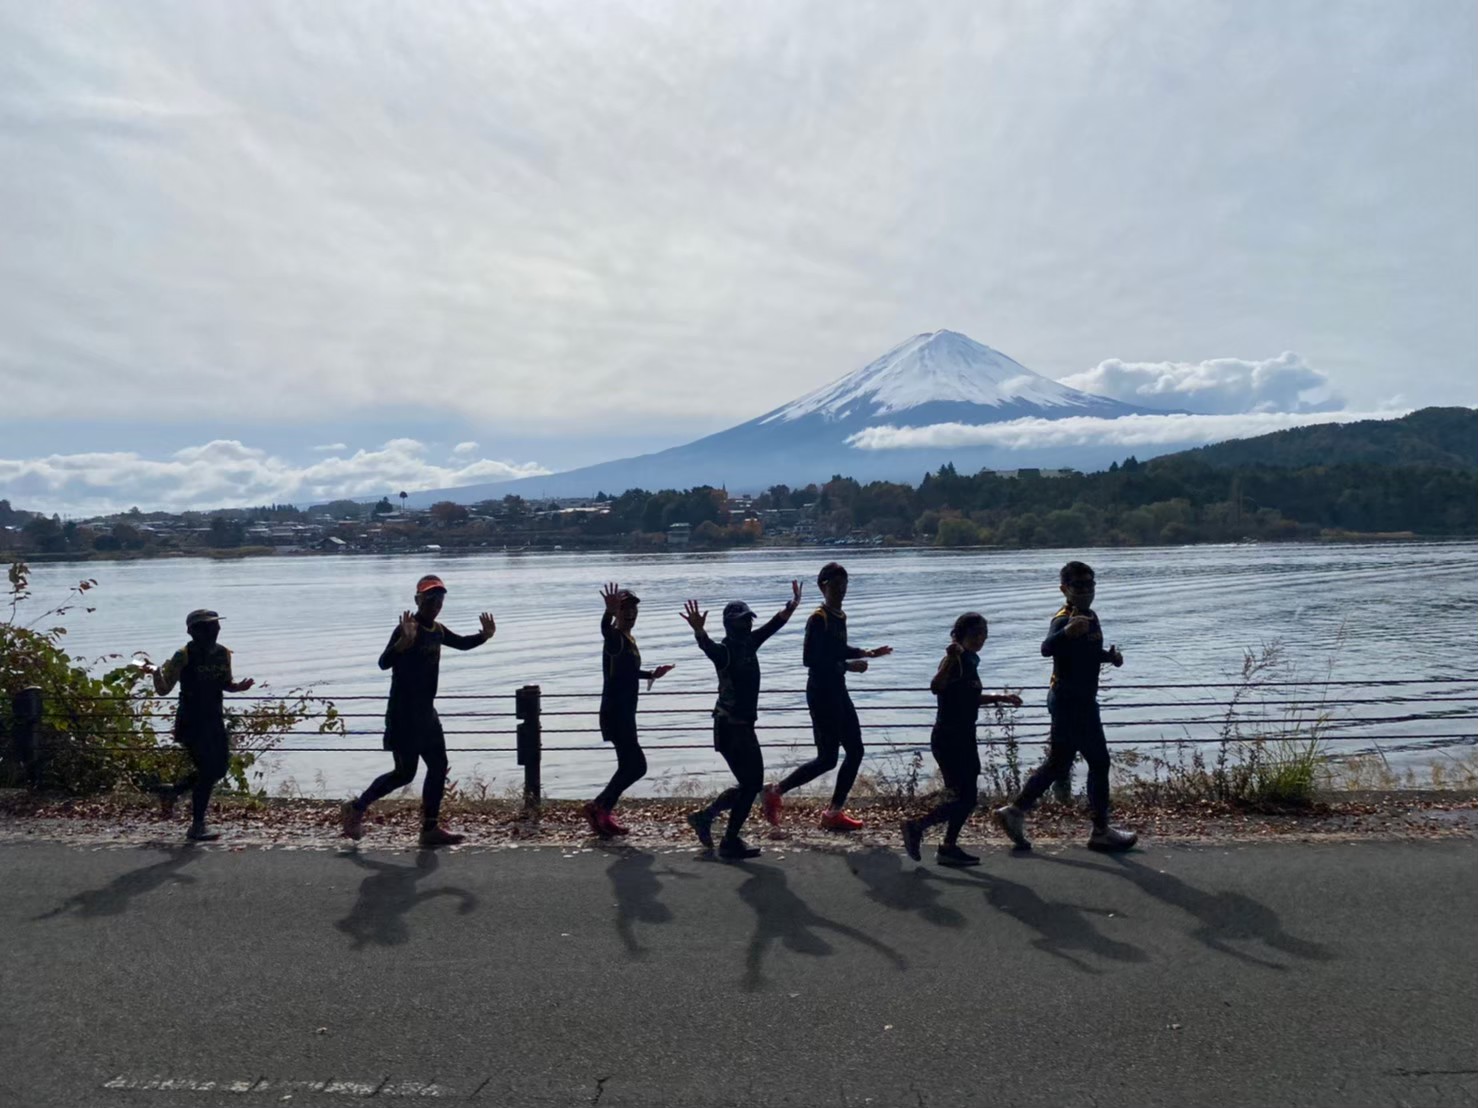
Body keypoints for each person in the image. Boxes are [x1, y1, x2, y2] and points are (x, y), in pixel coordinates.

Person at [341, 575, 495, 847]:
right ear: (417, 600)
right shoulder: (407, 628)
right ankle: (356, 808)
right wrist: (401, 645)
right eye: (429, 598)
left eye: (439, 598)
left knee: (437, 766)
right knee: (404, 773)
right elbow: (383, 662)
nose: (435, 603)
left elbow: (461, 643)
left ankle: (429, 829)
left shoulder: (437, 629)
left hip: (427, 714)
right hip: (403, 715)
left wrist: (484, 636)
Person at [994, 561, 1138, 852]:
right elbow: (1047, 648)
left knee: (1058, 762)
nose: (1086, 591)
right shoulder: (1065, 618)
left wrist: (1108, 658)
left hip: (1078, 700)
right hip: (1071, 701)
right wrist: (1066, 633)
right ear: (1065, 589)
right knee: (1098, 762)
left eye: (1090, 585)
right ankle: (1100, 831)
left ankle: (1015, 811)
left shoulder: (1091, 616)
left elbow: (1084, 653)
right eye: (1078, 586)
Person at [762, 562, 891, 831]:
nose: (842, 591)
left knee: (848, 752)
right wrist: (847, 666)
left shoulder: (839, 616)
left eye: (845, 586)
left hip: (837, 689)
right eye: (836, 586)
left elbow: (836, 648)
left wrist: (864, 652)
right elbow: (810, 659)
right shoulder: (818, 618)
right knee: (833, 757)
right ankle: (780, 793)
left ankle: (828, 810)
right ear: (823, 586)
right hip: (821, 692)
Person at [680, 581, 802, 860]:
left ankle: (706, 817)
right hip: (730, 727)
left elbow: (773, 626)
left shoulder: (749, 643)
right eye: (741, 621)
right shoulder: (726, 652)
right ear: (729, 624)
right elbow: (707, 647)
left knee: (749, 784)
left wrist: (791, 606)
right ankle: (729, 840)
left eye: (748, 619)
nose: (747, 624)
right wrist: (699, 629)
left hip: (741, 727)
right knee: (752, 784)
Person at [902, 612, 1022, 866]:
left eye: (984, 634)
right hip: (950, 738)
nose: (981, 638)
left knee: (962, 795)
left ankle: (947, 846)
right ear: (960, 635)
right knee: (964, 797)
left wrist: (1001, 697)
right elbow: (936, 686)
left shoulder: (969, 661)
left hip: (964, 736)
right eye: (975, 634)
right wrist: (950, 659)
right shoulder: (955, 660)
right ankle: (918, 828)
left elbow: (968, 696)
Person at [152, 608, 255, 842]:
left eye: (216, 626)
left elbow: (225, 683)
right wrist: (155, 671)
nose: (214, 630)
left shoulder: (223, 653)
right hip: (191, 720)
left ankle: (173, 791)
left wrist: (240, 687)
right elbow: (163, 689)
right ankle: (197, 825)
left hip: (215, 718)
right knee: (208, 771)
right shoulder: (183, 655)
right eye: (208, 626)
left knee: (218, 769)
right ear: (193, 631)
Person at [584, 582, 674, 837]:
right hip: (616, 713)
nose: (631, 613)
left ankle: (601, 811)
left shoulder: (627, 638)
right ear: (618, 612)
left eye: (634, 609)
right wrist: (608, 614)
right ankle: (599, 806)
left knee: (629, 765)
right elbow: (605, 632)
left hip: (623, 712)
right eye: (625, 609)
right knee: (637, 766)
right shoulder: (615, 637)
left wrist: (650, 674)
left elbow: (625, 672)